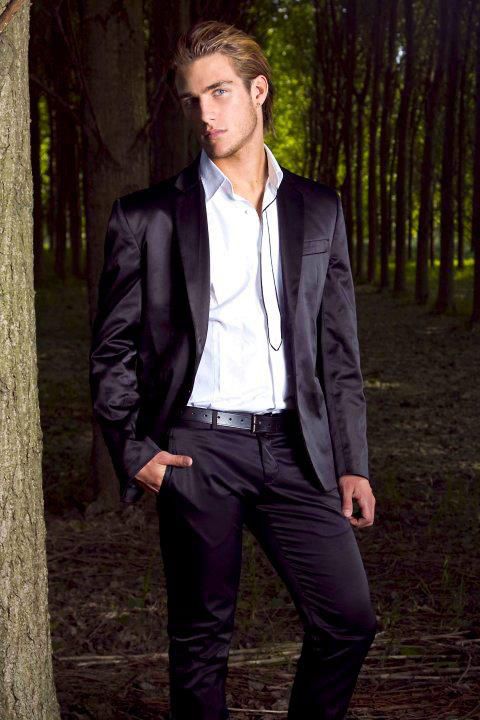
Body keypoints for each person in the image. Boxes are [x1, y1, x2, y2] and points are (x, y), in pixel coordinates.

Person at [89, 19, 378, 720]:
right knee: (200, 645)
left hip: (296, 449)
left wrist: (352, 462)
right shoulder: (148, 217)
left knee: (349, 622)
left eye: (219, 92)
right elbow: (111, 349)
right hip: (198, 451)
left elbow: (338, 350)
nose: (206, 113)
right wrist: (135, 450)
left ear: (258, 91)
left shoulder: (319, 209)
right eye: (193, 100)